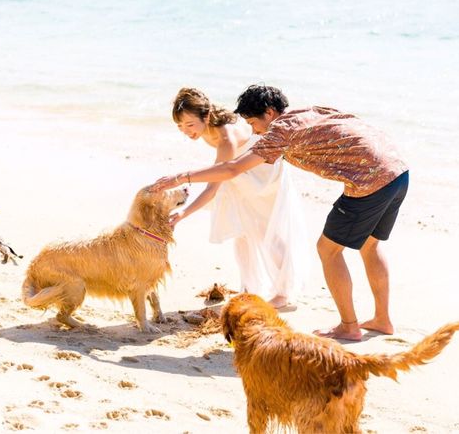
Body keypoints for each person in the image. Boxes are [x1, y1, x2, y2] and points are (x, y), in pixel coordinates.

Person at [152, 85, 409, 341]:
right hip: (397, 172)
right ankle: (382, 320)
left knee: (328, 250)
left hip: (369, 182)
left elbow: (232, 169)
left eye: (253, 123)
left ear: (270, 112)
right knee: (370, 246)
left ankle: (349, 326)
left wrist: (180, 177)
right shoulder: (308, 111)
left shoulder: (279, 133)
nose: (254, 132)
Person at [169, 87, 310, 308]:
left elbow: (212, 188)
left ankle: (284, 292)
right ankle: (250, 288)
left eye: (189, 124)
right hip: (238, 175)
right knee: (241, 232)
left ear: (206, 116)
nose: (185, 131)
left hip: (261, 176)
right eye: (180, 126)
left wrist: (182, 214)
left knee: (267, 232)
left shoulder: (225, 137)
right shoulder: (206, 127)